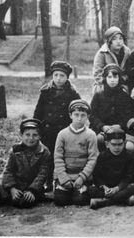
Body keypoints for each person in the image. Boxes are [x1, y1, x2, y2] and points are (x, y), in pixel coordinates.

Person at [0, 119, 51, 208]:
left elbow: (42, 175)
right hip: (14, 181)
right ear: (21, 135)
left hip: (31, 184)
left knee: (24, 202)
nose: (31, 138)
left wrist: (32, 190)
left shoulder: (44, 152)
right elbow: (8, 170)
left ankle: (3, 199)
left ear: (39, 136)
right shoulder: (15, 150)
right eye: (27, 135)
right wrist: (12, 188)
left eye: (35, 135)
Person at [33, 61, 80, 191]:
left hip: (63, 131)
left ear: (67, 78)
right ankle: (46, 180)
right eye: (56, 75)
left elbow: (79, 111)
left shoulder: (72, 93)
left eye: (62, 76)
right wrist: (36, 128)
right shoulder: (45, 91)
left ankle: (60, 180)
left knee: (61, 156)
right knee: (47, 156)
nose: (58, 78)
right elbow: (38, 112)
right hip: (47, 130)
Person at [53, 100, 99, 206]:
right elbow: (58, 157)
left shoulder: (91, 135)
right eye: (76, 115)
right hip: (66, 175)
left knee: (80, 201)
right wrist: (64, 178)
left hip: (82, 176)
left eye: (83, 115)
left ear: (88, 116)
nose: (79, 118)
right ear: (70, 115)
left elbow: (93, 158)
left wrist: (82, 177)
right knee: (60, 200)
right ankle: (63, 187)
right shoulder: (62, 134)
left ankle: (82, 189)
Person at [88, 127, 134, 209]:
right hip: (107, 188)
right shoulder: (102, 156)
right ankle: (124, 200)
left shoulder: (129, 156)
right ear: (107, 144)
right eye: (113, 144)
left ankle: (104, 202)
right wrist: (104, 187)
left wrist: (117, 188)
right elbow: (97, 176)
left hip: (121, 187)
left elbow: (128, 177)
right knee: (91, 190)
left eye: (120, 144)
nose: (117, 148)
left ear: (124, 143)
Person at [89, 64, 134, 151]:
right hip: (102, 129)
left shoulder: (124, 96)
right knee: (98, 140)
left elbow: (129, 114)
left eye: (115, 77)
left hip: (120, 129)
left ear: (119, 79)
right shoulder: (98, 95)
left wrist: (120, 125)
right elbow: (92, 114)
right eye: (109, 77)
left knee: (130, 147)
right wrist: (102, 126)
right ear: (105, 78)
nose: (112, 80)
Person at [93, 26, 131, 92]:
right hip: (105, 84)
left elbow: (129, 71)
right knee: (100, 91)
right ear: (109, 41)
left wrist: (121, 81)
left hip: (122, 83)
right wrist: (109, 82)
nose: (118, 41)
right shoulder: (102, 53)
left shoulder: (127, 52)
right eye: (114, 39)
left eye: (120, 38)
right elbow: (97, 74)